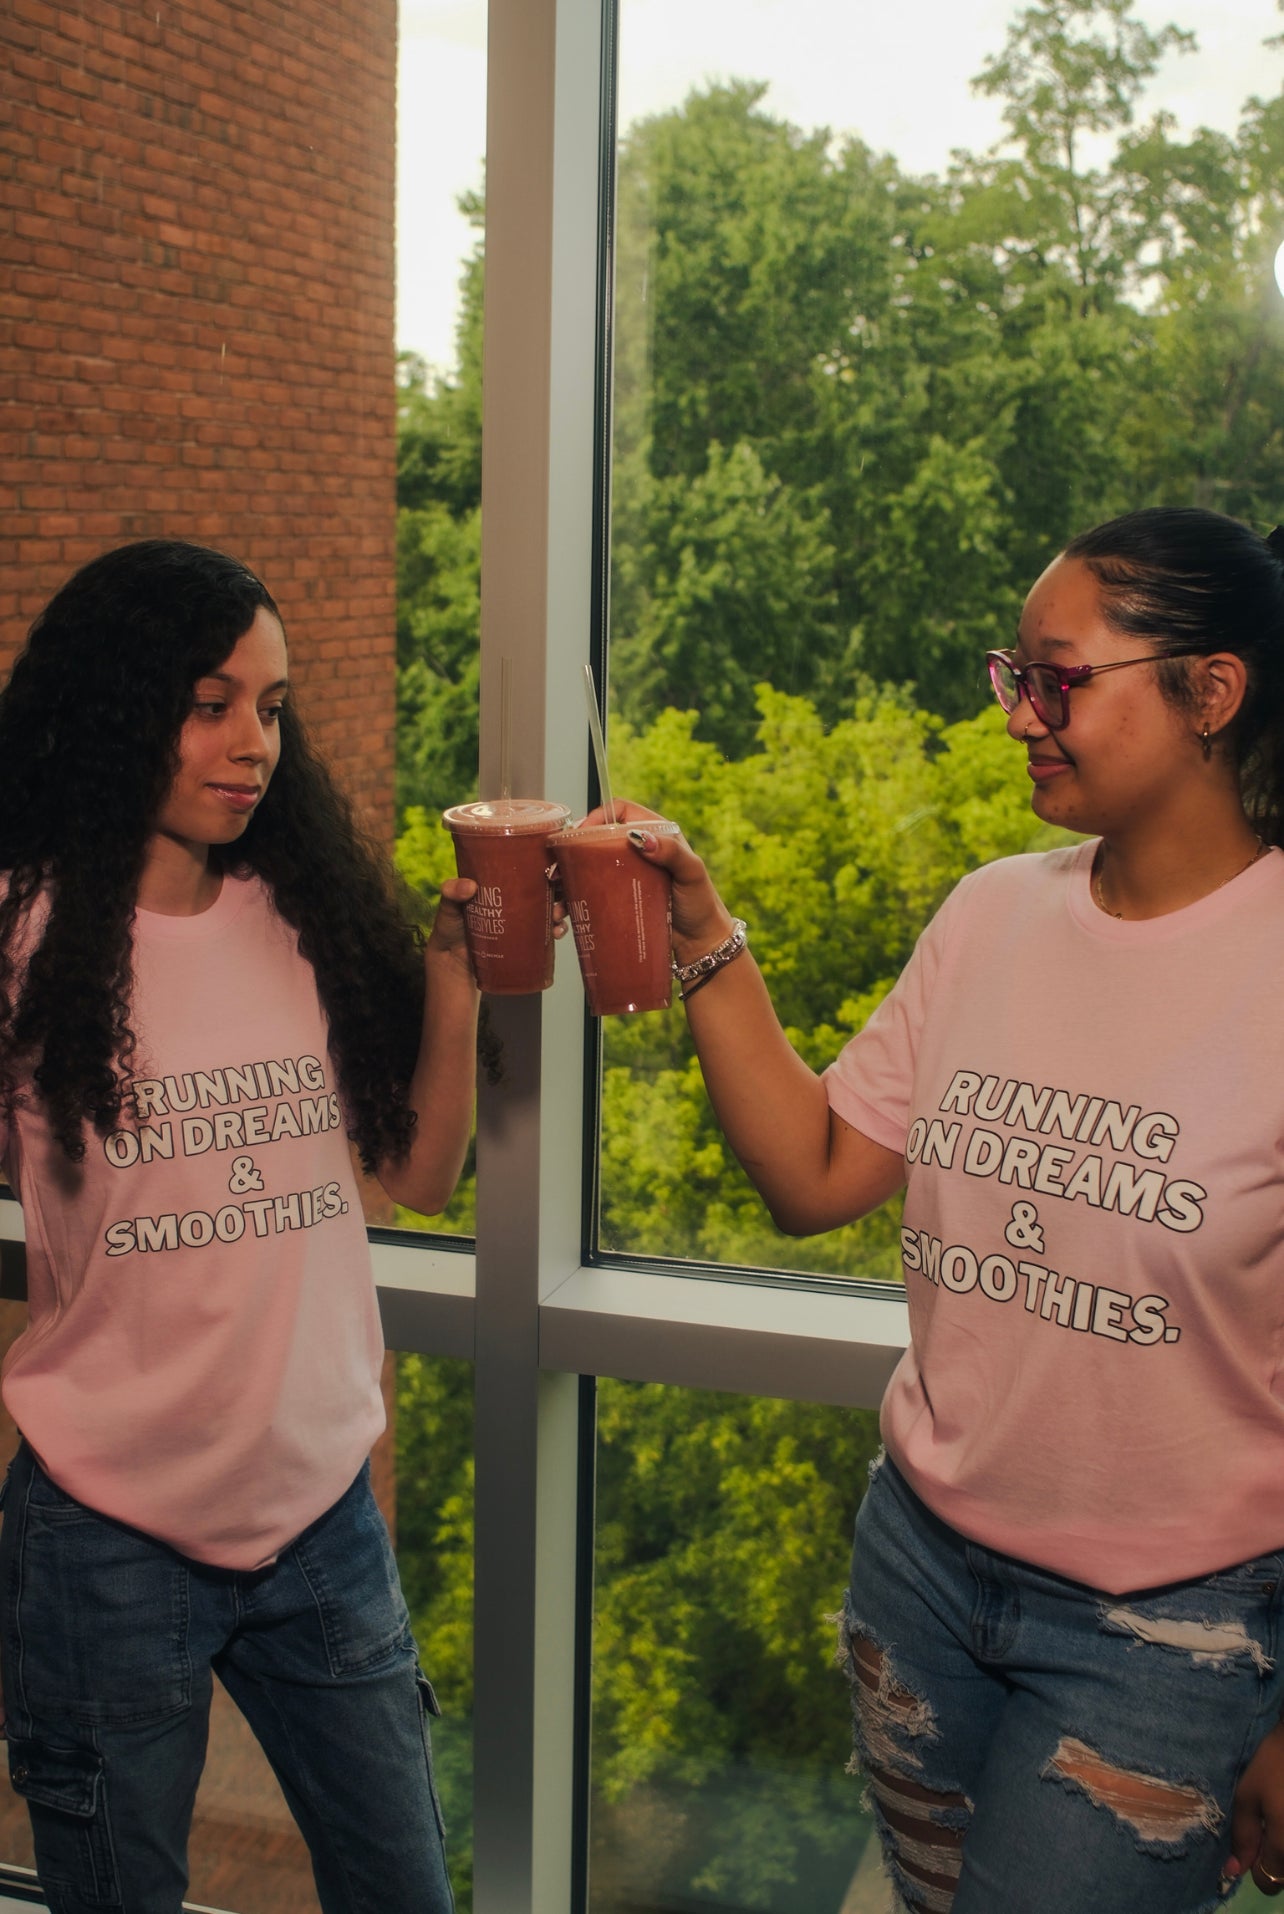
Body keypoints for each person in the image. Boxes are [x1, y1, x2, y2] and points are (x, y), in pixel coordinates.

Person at [600, 506, 1284, 1911]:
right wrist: (701, 929)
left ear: (1211, 689)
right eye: (1012, 673)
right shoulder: (990, 915)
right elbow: (815, 1172)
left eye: (1061, 676)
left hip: (1168, 1637)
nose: (1022, 712)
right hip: (918, 1570)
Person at [0, 539, 481, 1914]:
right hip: (103, 1537)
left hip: (321, 1519)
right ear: (116, 705)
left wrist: (452, 979)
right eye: (211, 702)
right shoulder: (23, 930)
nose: (250, 743)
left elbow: (426, 1172)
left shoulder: (302, 916)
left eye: (270, 707)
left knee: (405, 1892)